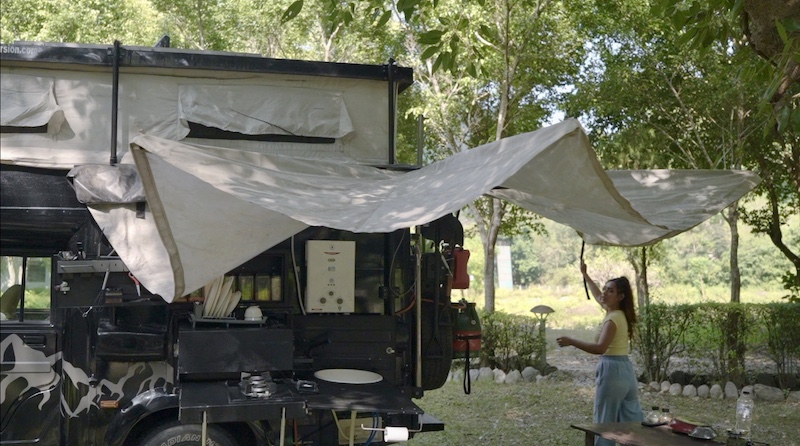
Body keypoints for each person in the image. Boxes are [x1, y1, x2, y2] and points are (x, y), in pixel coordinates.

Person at [557, 261, 643, 445]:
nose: (604, 293)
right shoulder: (618, 313)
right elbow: (597, 296)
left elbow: (600, 348)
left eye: (610, 291)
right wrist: (585, 274)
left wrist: (571, 341)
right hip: (626, 371)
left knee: (605, 424)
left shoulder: (613, 319)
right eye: (605, 289)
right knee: (633, 424)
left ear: (620, 296)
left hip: (612, 371)